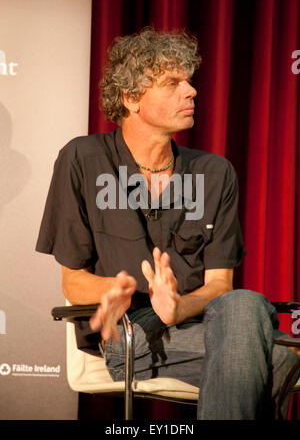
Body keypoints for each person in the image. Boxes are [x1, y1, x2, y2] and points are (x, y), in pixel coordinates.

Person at [36, 27, 299, 420]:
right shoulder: (82, 159)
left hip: (207, 323)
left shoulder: (215, 172)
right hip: (132, 334)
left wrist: (179, 307)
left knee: (243, 304)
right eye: (173, 83)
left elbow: (220, 285)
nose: (191, 91)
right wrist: (114, 286)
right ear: (130, 98)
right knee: (279, 357)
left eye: (189, 81)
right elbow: (72, 278)